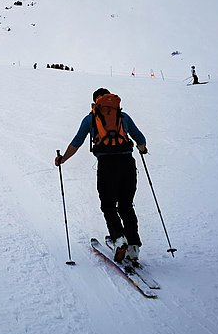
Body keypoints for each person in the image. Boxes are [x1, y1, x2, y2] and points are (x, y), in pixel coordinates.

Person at [55, 88, 148, 263]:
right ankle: (134, 246)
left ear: (95, 102)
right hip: (128, 163)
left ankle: (119, 239)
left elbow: (77, 142)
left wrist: (63, 159)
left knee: (108, 204)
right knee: (126, 205)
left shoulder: (90, 118)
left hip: (107, 165)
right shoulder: (123, 117)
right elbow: (140, 138)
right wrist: (142, 149)